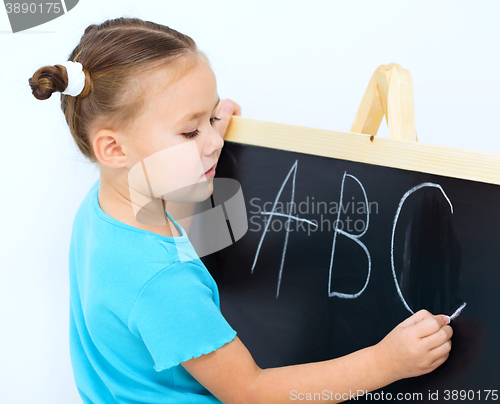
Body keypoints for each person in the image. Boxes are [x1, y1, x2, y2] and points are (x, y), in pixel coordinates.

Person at [28, 17, 453, 404]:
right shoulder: (163, 281)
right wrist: (385, 363)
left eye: (211, 117)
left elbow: (192, 228)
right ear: (114, 148)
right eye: (190, 129)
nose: (214, 141)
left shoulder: (103, 208)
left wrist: (204, 126)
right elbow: (250, 391)